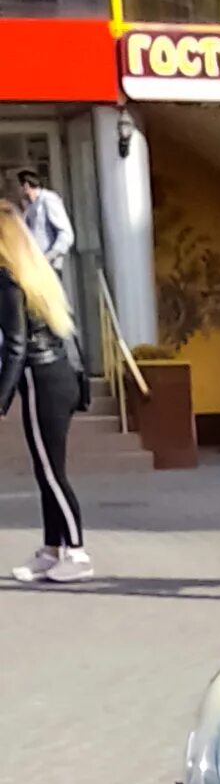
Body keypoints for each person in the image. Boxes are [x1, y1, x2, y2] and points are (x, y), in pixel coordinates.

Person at [0, 204, 89, 584]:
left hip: (41, 379)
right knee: (45, 470)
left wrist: (0, 400)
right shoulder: (35, 273)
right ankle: (52, 550)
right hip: (59, 376)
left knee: (52, 473)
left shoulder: (7, 278)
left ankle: (78, 552)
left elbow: (16, 346)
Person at [18, 170, 73, 274]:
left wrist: (49, 256)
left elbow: (65, 234)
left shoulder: (48, 200)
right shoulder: (30, 206)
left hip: (48, 266)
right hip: (33, 265)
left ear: (26, 186)